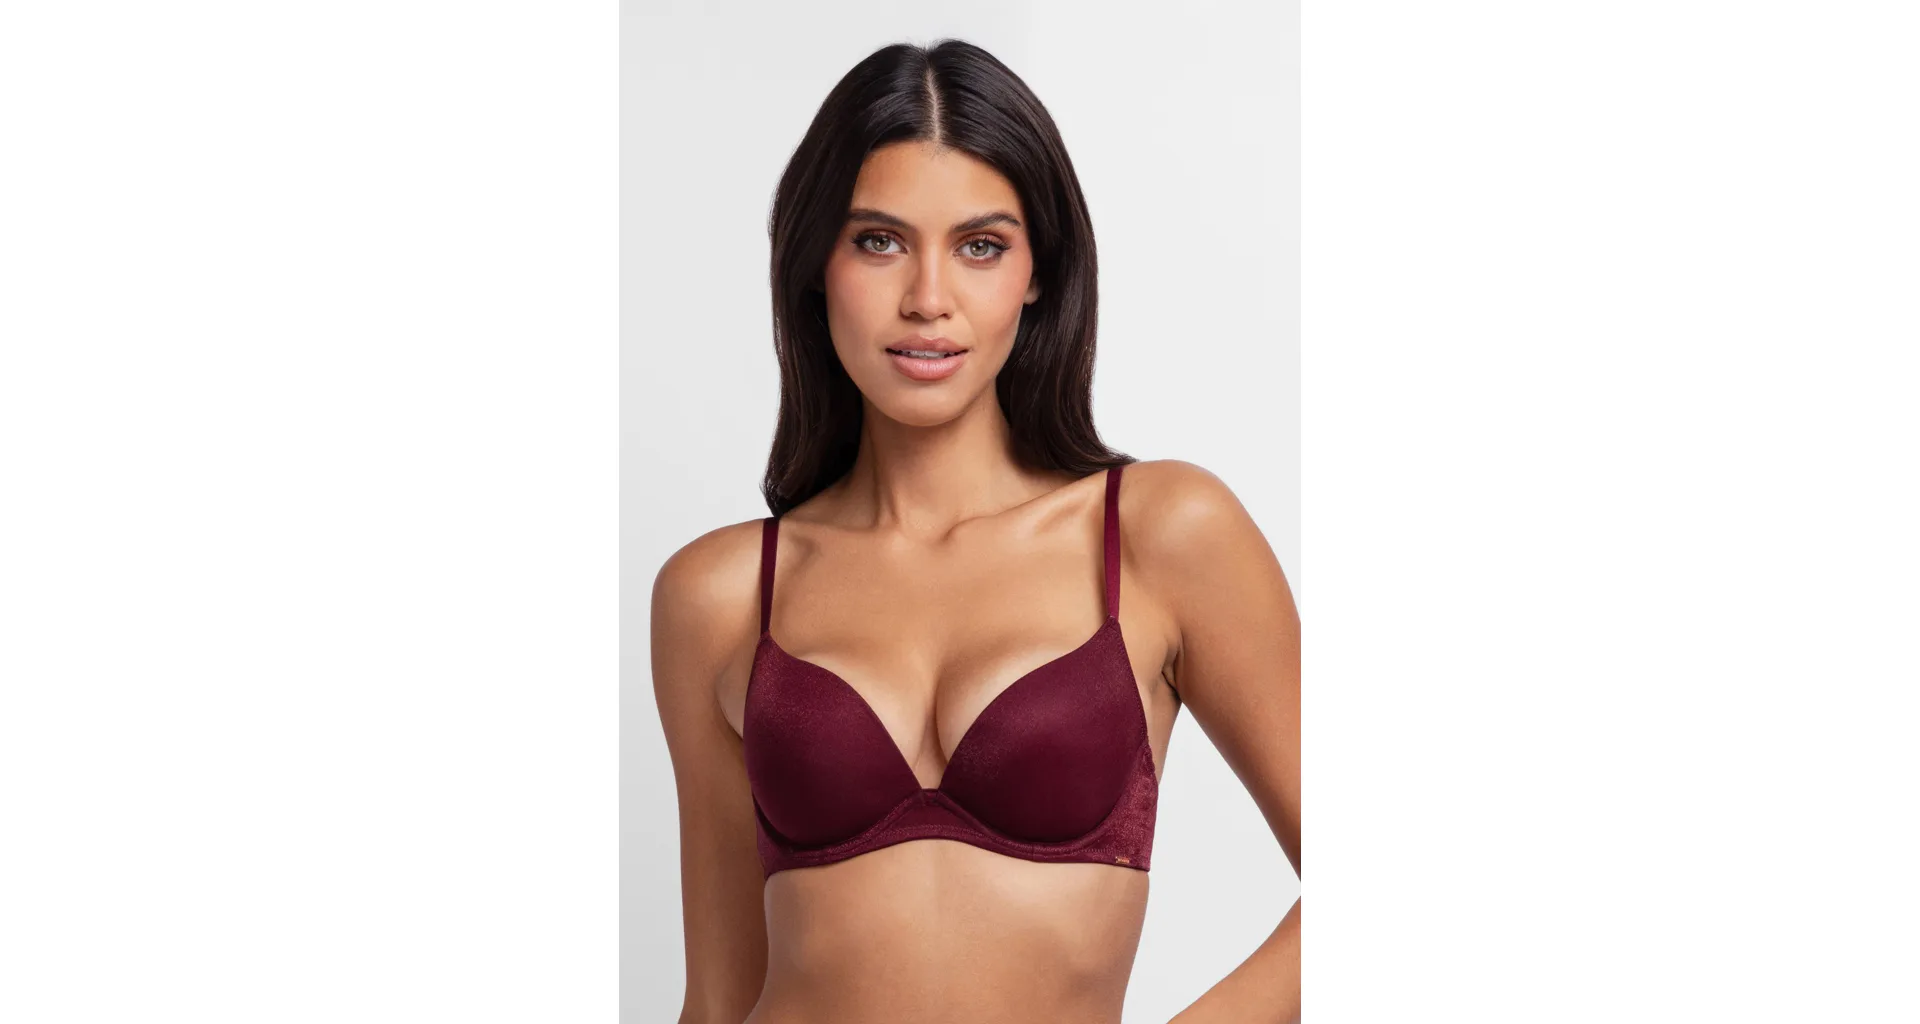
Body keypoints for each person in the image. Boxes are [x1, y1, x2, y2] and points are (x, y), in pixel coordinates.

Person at [651, 39, 1300, 1024]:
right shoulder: (722, 592)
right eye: (878, 241)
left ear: (1039, 272)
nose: (928, 298)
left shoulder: (1161, 534)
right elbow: (718, 997)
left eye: (980, 245)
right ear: (817, 264)